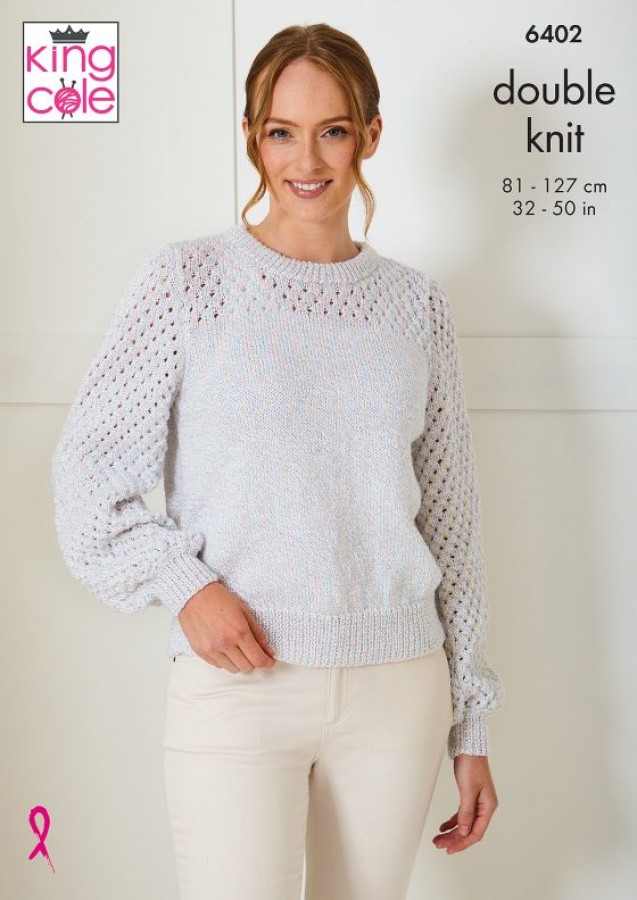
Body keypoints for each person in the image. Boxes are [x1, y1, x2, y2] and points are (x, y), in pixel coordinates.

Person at [51, 21, 505, 900]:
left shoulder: (414, 306)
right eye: (280, 132)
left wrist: (472, 724)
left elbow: (451, 526)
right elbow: (88, 479)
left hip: (397, 690)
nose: (307, 159)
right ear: (251, 137)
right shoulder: (187, 283)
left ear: (370, 135)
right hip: (238, 686)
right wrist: (187, 586)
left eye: (332, 130)